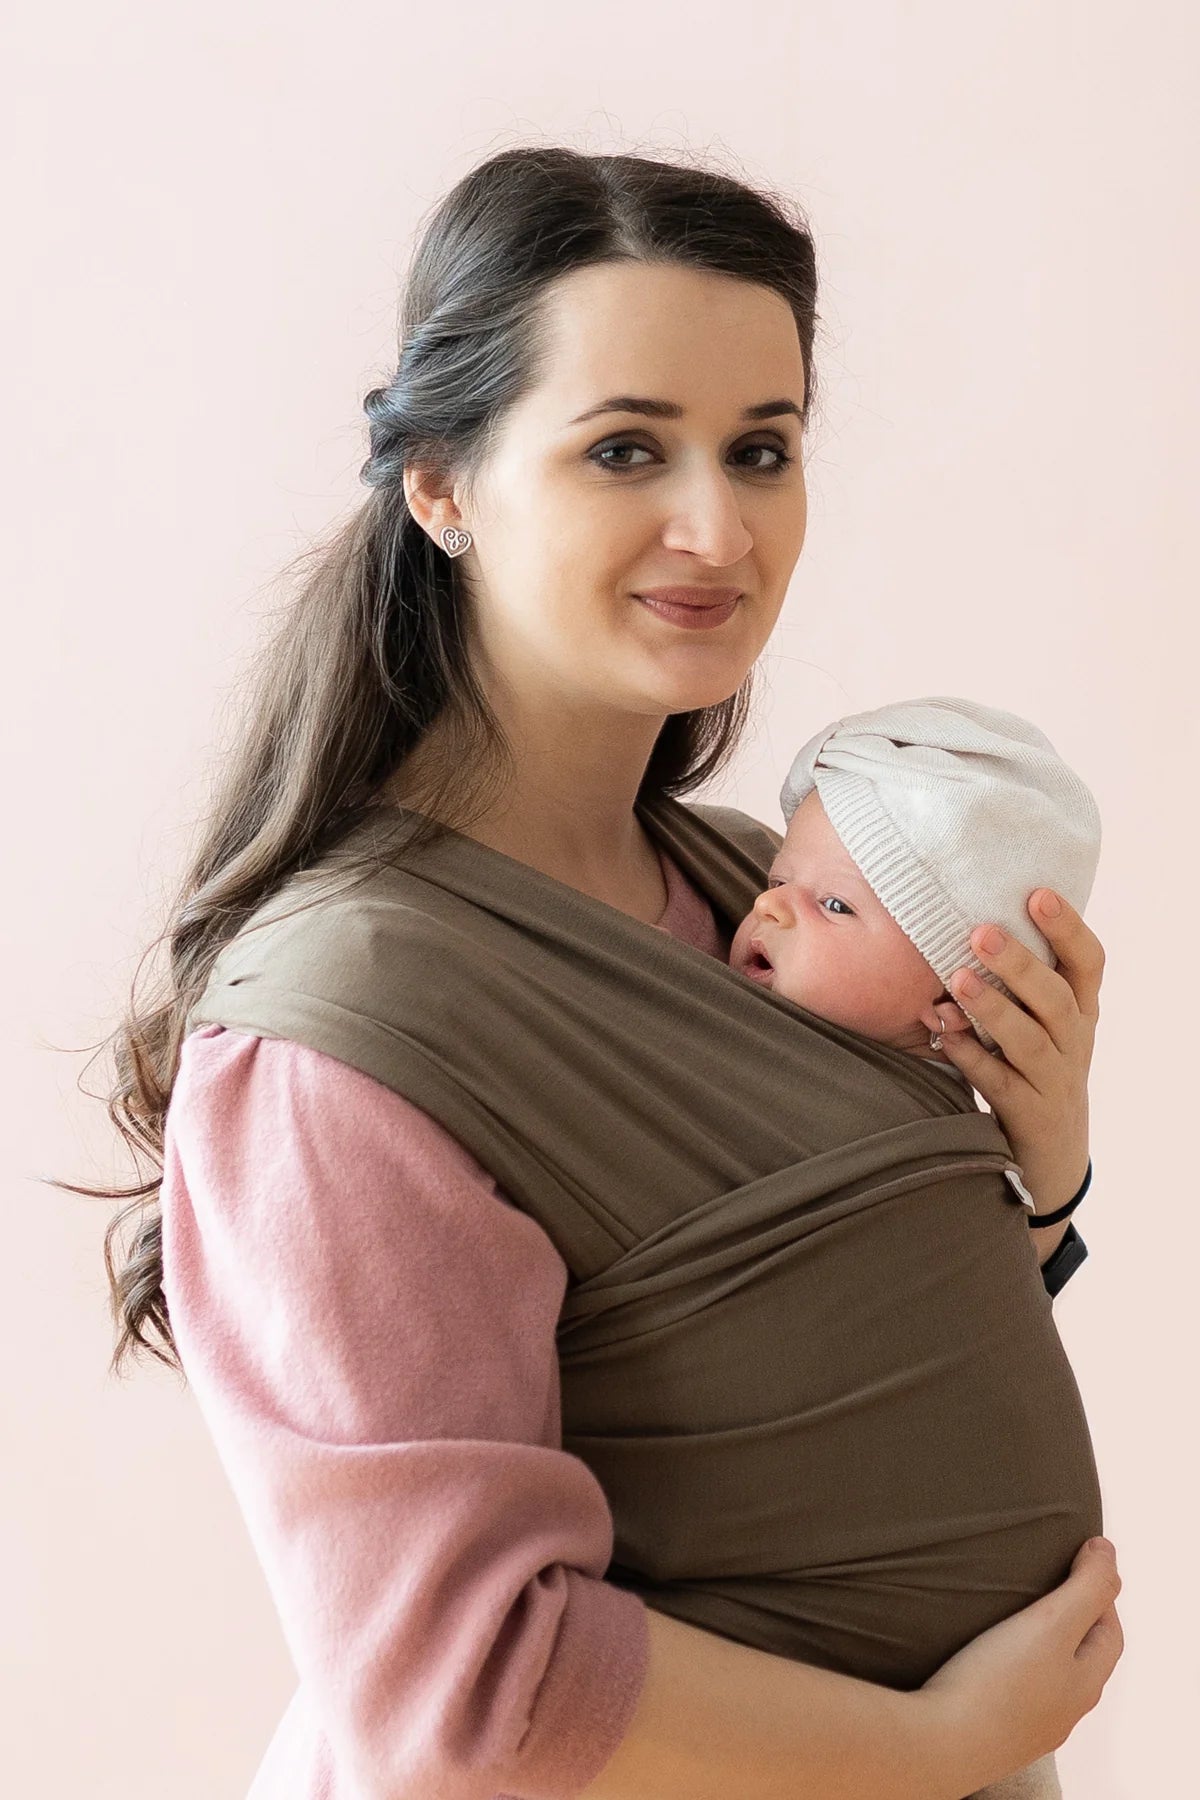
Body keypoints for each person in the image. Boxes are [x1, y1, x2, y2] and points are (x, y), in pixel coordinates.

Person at [79, 147, 1123, 1800]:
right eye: (626, 447)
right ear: (441, 486)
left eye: (762, 448)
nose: (718, 527)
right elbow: (460, 1696)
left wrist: (1044, 1168)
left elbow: (846, 1373)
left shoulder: (754, 891)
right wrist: (940, 1744)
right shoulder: (352, 1024)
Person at [721, 694, 1107, 1800]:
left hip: (986, 1697)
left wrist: (1051, 1175)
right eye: (782, 880)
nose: (771, 908)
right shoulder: (731, 1055)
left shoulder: (945, 1148)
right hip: (826, 1683)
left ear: (954, 1000)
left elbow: (970, 1326)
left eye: (837, 904)